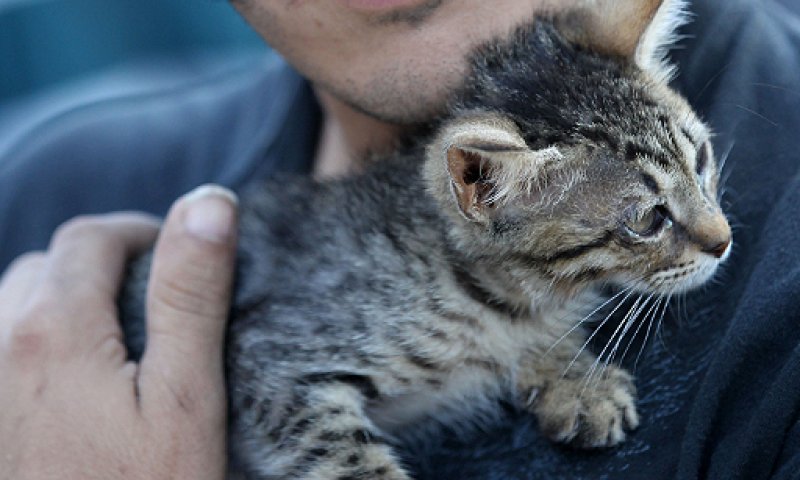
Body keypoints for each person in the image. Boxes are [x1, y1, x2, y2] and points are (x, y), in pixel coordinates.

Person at [1, 0, 799, 478]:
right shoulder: (44, 190)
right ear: (481, 186)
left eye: (701, 162)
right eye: (646, 217)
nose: (716, 233)